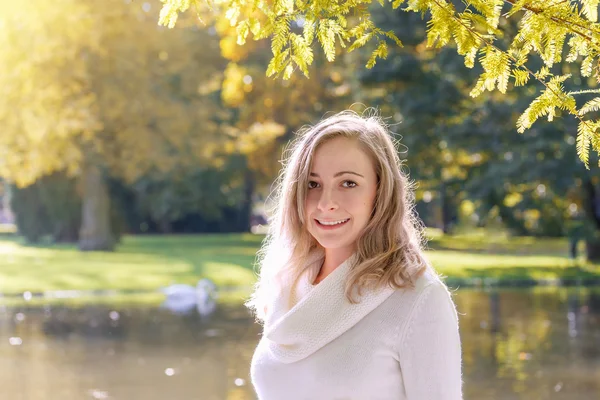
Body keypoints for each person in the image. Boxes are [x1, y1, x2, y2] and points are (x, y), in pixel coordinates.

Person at [246, 111, 463, 399]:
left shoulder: (418, 297)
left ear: (380, 191)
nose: (326, 203)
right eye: (313, 184)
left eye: (348, 183)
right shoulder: (287, 281)